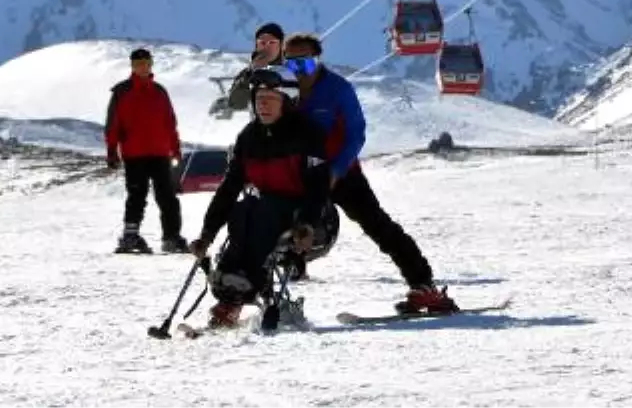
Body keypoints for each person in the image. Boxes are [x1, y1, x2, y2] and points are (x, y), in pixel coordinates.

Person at [282, 31, 460, 314]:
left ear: (316, 60)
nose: (298, 71)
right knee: (280, 228)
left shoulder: (338, 89)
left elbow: (356, 134)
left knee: (378, 226)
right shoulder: (287, 91)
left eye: (303, 63)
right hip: (304, 174)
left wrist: (337, 171)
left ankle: (423, 286)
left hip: (342, 175)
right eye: (291, 64)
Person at [188, 66, 331, 329]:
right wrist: (207, 233)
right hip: (264, 209)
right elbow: (229, 189)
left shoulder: (307, 135)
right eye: (258, 99)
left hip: (312, 217)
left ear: (287, 102)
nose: (262, 105)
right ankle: (230, 290)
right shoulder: (249, 137)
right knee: (242, 210)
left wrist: (308, 223)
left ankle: (244, 288)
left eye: (271, 99)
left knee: (262, 211)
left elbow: (319, 187)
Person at [105, 47, 187, 254]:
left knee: (167, 197)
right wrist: (112, 152)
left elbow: (170, 123)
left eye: (146, 63)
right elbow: (112, 125)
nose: (142, 67)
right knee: (136, 195)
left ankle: (171, 237)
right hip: (135, 155)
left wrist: (175, 149)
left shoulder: (160, 92)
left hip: (160, 154)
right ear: (132, 66)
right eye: (138, 64)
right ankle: (130, 236)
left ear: (151, 65)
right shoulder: (121, 92)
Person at [222, 22, 286, 113]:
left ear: (281, 46)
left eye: (272, 43)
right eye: (262, 43)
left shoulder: (293, 67)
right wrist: (249, 75)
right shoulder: (247, 74)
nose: (266, 47)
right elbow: (236, 104)